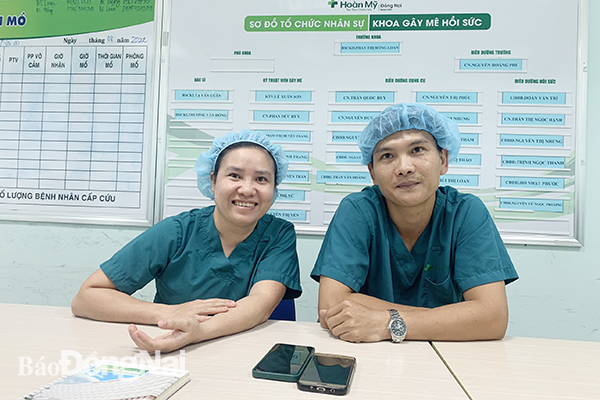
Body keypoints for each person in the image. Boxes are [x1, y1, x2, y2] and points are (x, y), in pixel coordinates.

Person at [72, 130, 302, 353]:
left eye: (261, 179)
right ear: (213, 180)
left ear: (274, 188)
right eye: (234, 175)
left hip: (245, 351)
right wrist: (168, 313)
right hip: (171, 351)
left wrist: (198, 331)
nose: (247, 189)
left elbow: (261, 303)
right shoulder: (176, 232)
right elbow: (86, 298)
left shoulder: (278, 234)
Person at [311, 103, 518, 343]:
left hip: (446, 353)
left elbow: (492, 318)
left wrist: (386, 322)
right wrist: (453, 319)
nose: (404, 168)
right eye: (387, 156)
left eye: (417, 150)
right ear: (373, 173)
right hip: (365, 351)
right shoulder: (357, 210)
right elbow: (331, 307)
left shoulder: (466, 213)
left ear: (443, 160)